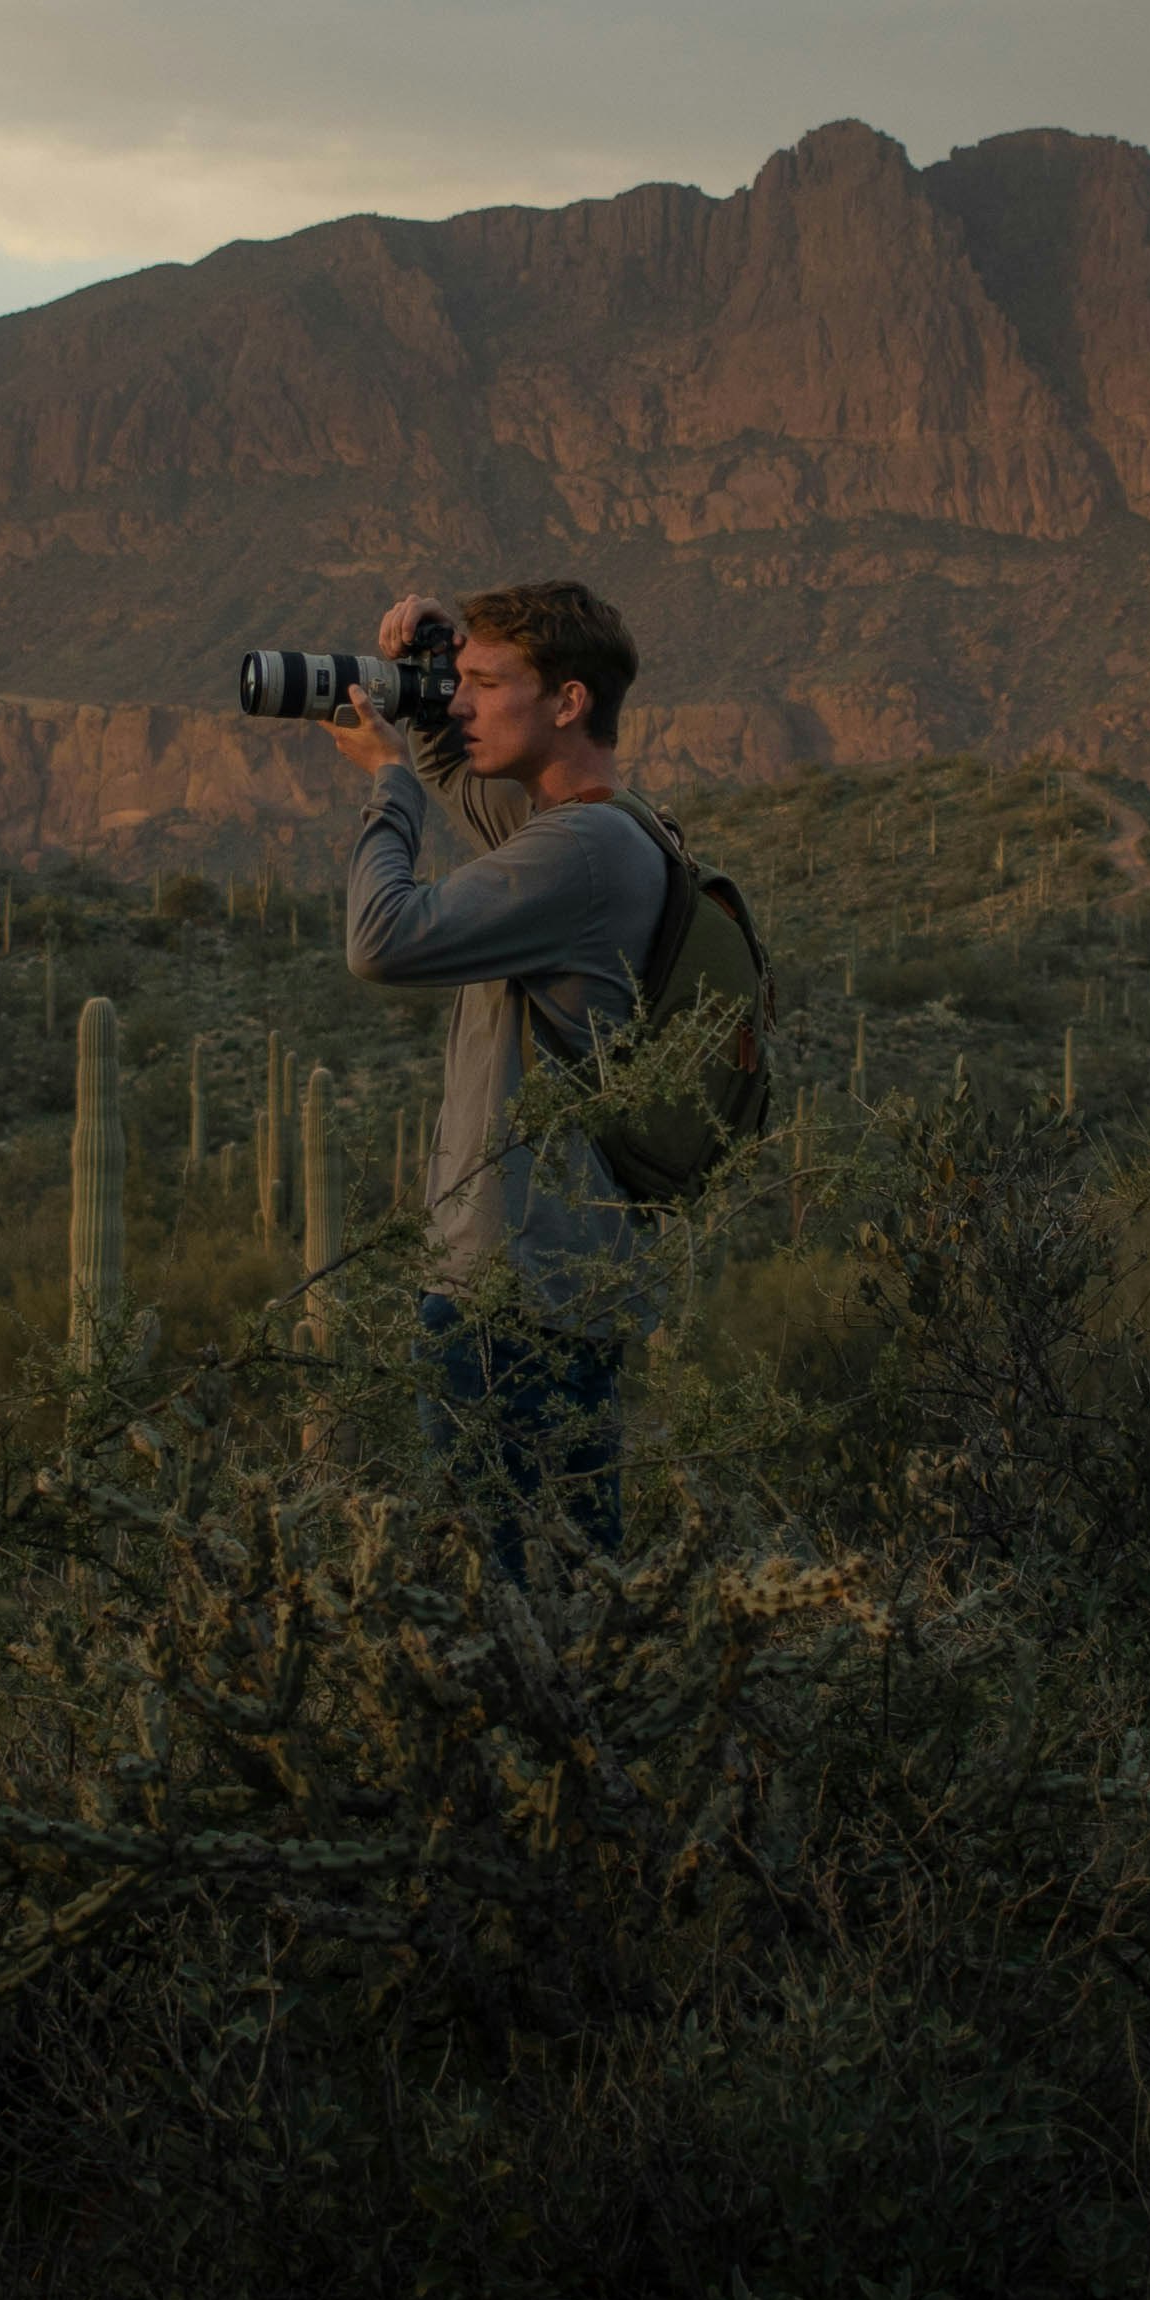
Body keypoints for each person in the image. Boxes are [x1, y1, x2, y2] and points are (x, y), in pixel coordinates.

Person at [321, 577, 671, 1575]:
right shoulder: (603, 828)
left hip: (515, 1296)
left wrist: (385, 785)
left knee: (515, 1598)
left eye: (484, 683)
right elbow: (471, 780)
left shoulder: (580, 851)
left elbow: (380, 943)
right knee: (549, 1577)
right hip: (554, 1277)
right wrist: (428, 682)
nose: (460, 702)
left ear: (566, 700)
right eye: (457, 683)